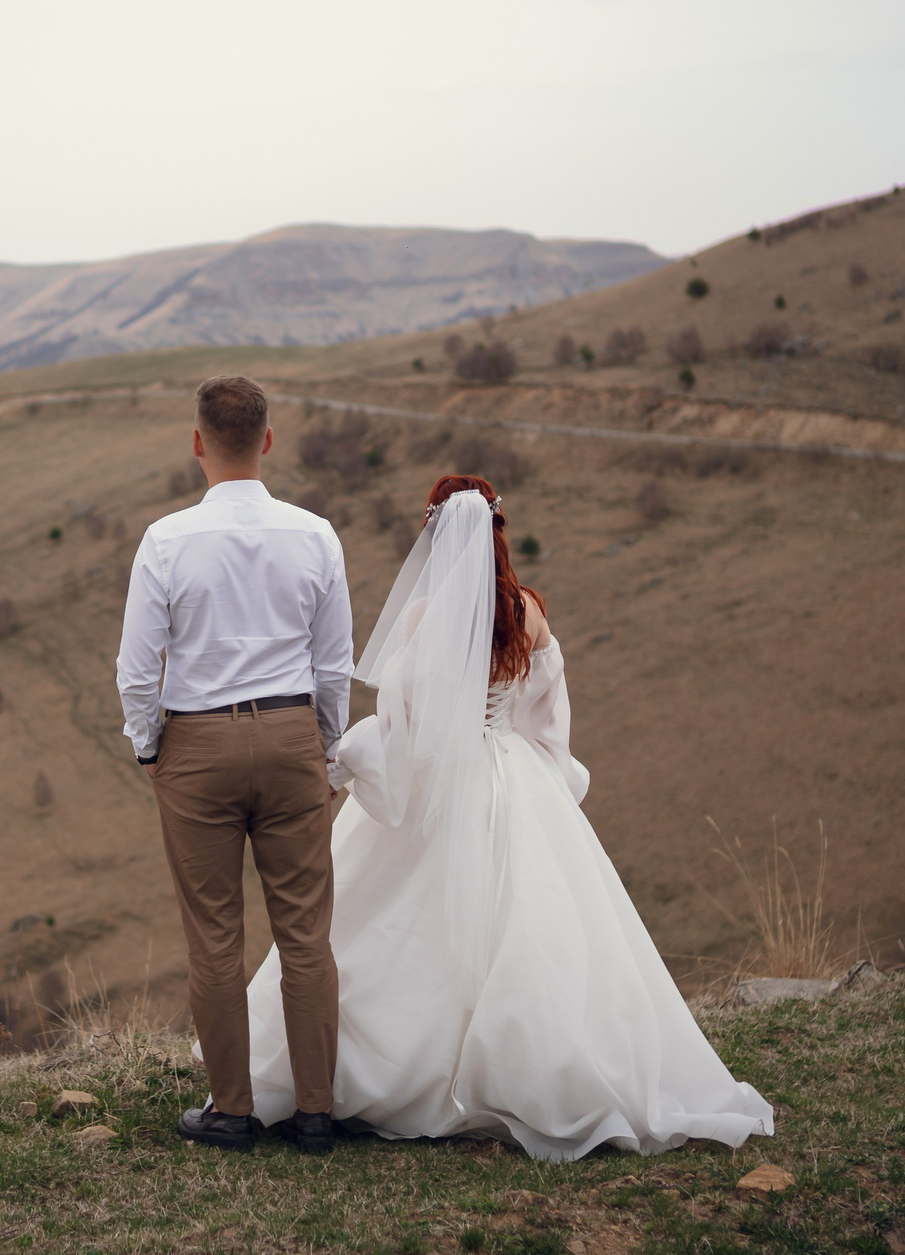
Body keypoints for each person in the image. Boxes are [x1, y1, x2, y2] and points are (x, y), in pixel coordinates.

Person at [242, 475, 773, 1159]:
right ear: (499, 530)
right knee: (533, 925)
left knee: (385, 919)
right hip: (513, 776)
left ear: (436, 535)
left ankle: (373, 1070)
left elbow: (402, 729)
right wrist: (549, 779)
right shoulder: (529, 614)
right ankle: (531, 1073)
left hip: (438, 783)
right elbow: (548, 719)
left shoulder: (422, 619)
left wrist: (346, 759)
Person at [117, 376, 354, 1156]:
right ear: (268, 440)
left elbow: (136, 669)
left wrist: (150, 745)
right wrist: (323, 745)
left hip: (197, 746)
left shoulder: (166, 540)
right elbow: (333, 664)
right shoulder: (316, 535)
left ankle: (232, 1110)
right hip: (291, 737)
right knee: (306, 933)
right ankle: (315, 1114)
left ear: (197, 443)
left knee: (215, 937)